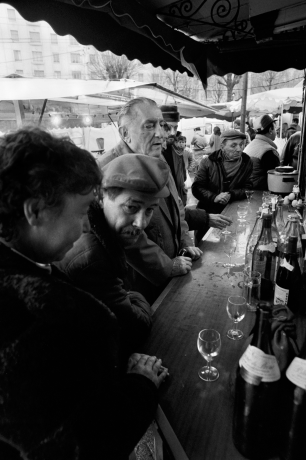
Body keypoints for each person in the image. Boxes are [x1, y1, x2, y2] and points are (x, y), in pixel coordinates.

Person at [0, 127, 167, 460]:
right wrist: (140, 384)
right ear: (35, 211)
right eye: (79, 213)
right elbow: (83, 440)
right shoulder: (41, 320)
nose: (81, 229)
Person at [57, 154, 170, 356]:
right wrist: (135, 295)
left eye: (149, 210)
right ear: (101, 197)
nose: (141, 223)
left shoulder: (101, 231)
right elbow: (134, 329)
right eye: (131, 208)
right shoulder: (93, 258)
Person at [98, 97, 202, 303]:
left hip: (173, 266)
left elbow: (177, 204)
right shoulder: (107, 169)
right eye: (149, 125)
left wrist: (185, 241)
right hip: (140, 282)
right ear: (124, 133)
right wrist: (166, 266)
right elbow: (128, 236)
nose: (160, 134)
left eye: (161, 125)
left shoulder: (157, 158)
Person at [192, 129, 253, 244]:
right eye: (233, 145)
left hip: (232, 214)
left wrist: (231, 194)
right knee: (204, 248)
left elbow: (248, 188)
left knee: (228, 246)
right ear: (222, 145)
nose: (239, 149)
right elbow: (196, 188)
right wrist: (214, 197)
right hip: (208, 214)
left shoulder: (246, 161)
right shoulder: (208, 162)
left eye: (241, 145)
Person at [244, 114, 280, 190]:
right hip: (261, 194)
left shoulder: (251, 145)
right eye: (275, 128)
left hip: (248, 191)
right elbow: (277, 178)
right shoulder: (268, 151)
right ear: (270, 130)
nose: (276, 131)